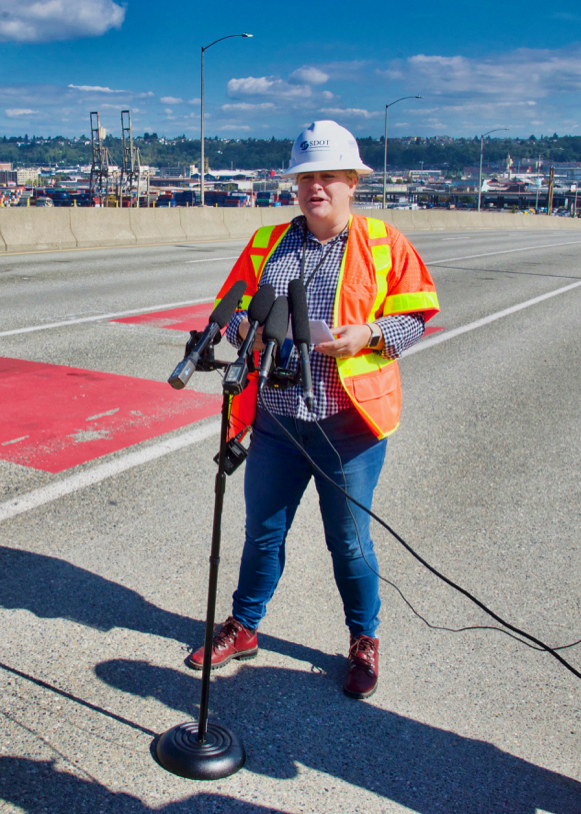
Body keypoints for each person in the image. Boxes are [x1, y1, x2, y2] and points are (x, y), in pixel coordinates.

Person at [187, 121, 439, 699]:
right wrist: (240, 323)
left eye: (328, 177)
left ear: (352, 182)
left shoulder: (383, 242)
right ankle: (244, 626)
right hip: (277, 419)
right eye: (307, 178)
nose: (315, 188)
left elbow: (418, 313)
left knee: (348, 542)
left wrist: (370, 335)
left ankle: (363, 640)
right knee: (262, 533)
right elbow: (233, 307)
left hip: (349, 425)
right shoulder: (268, 243)